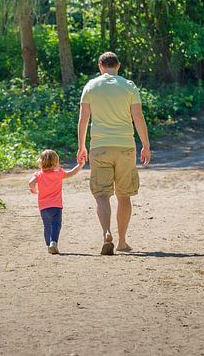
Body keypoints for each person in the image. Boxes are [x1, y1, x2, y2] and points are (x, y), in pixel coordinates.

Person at [76, 52, 151, 255]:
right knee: (124, 195)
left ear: (101, 65)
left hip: (100, 146)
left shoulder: (91, 86)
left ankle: (106, 232)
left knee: (102, 195)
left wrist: (81, 146)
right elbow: (138, 117)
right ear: (118, 66)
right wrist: (145, 145)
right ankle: (122, 241)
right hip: (125, 146)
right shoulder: (129, 86)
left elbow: (83, 119)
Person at [28, 149, 85, 255]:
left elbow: (31, 182)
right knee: (56, 224)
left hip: (43, 206)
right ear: (56, 162)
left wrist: (33, 189)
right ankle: (53, 242)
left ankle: (48, 244)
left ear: (41, 162)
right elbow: (71, 173)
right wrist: (80, 165)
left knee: (47, 225)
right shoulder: (59, 173)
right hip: (56, 206)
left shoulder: (39, 175)